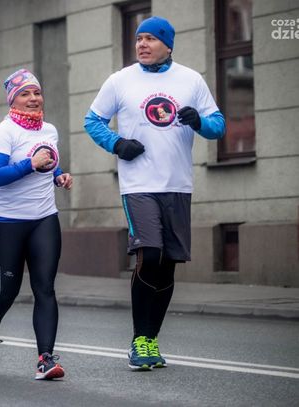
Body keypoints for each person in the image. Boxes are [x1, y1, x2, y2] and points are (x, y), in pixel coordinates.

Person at [84, 16, 225, 371]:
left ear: (168, 44)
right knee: (150, 253)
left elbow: (218, 126)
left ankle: (151, 339)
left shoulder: (190, 80)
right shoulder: (121, 80)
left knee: (168, 264)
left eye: (150, 39)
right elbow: (92, 121)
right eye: (139, 39)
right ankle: (139, 339)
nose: (142, 44)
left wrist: (199, 122)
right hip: (139, 185)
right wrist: (117, 144)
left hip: (177, 185)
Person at [0, 69, 73, 380]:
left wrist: (58, 175)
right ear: (12, 100)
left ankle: (46, 359)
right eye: (25, 94)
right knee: (8, 291)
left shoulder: (49, 130)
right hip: (5, 222)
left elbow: (49, 161)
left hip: (44, 218)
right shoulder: (5, 133)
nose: (33, 98)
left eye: (37, 92)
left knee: (45, 288)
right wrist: (30, 165)